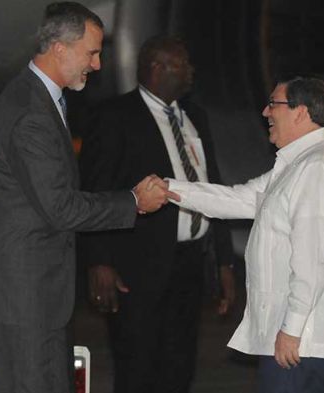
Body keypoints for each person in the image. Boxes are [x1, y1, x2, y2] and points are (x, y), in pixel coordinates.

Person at [0, 3, 174, 393]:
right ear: (60, 48)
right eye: (91, 52)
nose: (96, 65)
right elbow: (59, 206)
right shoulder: (31, 111)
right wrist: (133, 202)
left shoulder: (39, 98)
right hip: (22, 298)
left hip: (35, 294)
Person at [167, 76, 324, 393]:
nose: (265, 111)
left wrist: (292, 329)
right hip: (299, 343)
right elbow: (239, 199)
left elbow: (314, 259)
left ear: (300, 111)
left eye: (274, 104)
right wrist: (169, 190)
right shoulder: (298, 165)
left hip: (303, 345)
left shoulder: (318, 169)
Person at [79, 35, 235, 393]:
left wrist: (224, 261)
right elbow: (95, 192)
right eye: (183, 65)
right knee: (138, 366)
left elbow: (213, 187)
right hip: (137, 266)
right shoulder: (115, 117)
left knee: (179, 367)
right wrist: (98, 261)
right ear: (156, 68)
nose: (191, 72)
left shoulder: (195, 116)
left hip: (190, 264)